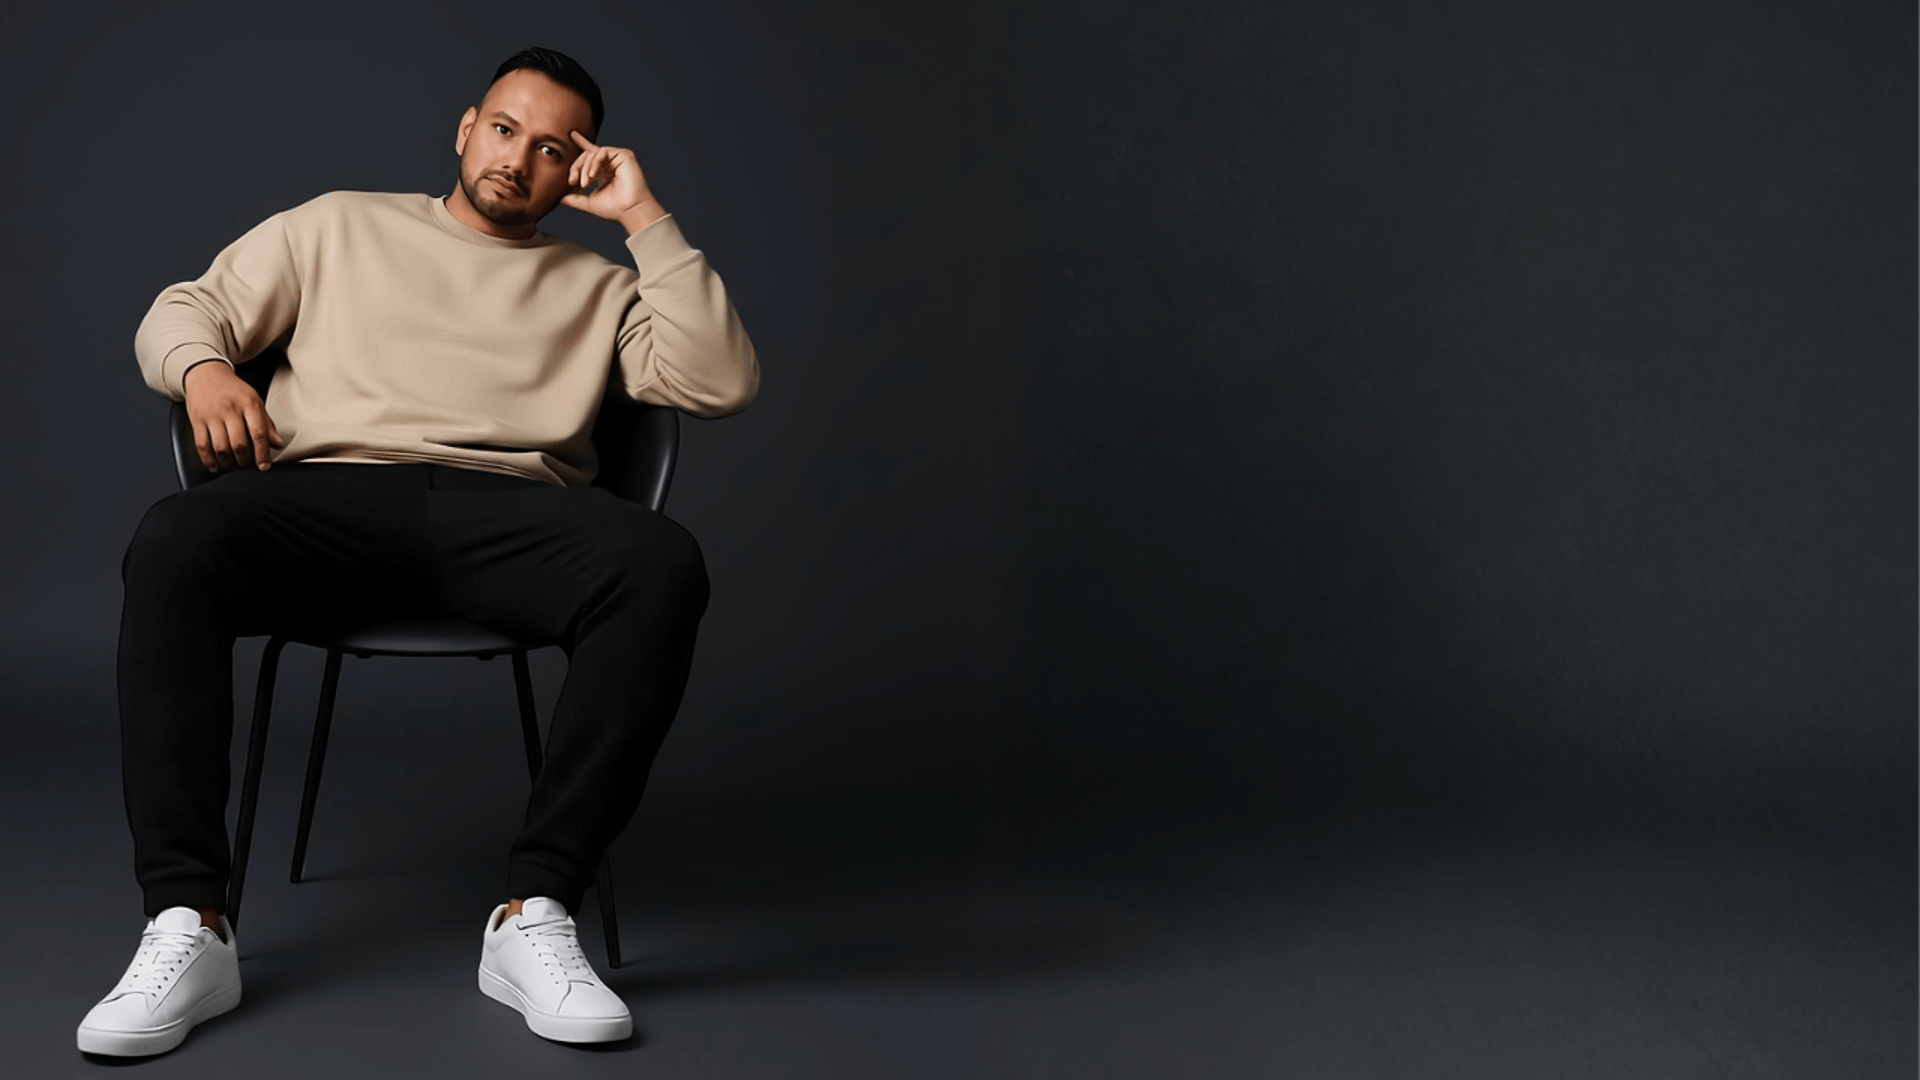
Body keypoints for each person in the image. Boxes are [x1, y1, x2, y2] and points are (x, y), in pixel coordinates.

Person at [75, 46, 758, 1056]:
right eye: (503, 127)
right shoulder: (338, 223)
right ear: (464, 126)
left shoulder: (599, 285)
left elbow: (719, 379)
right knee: (174, 540)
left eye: (552, 147)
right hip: (329, 499)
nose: (517, 158)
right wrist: (208, 372)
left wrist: (642, 218)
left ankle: (535, 913)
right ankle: (190, 922)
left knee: (661, 561)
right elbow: (183, 309)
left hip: (514, 515)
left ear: (580, 167)